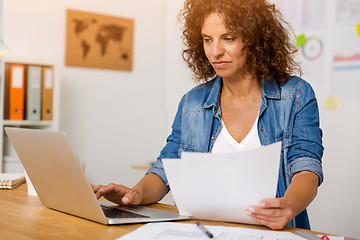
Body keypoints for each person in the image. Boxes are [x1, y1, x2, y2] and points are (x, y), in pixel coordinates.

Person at [92, 0, 323, 230]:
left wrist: (288, 205)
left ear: (254, 38)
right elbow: (166, 169)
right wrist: (134, 194)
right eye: (207, 39)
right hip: (203, 232)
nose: (215, 52)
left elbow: (307, 170)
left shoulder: (296, 95)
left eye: (228, 38)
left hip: (273, 233)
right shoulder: (192, 102)